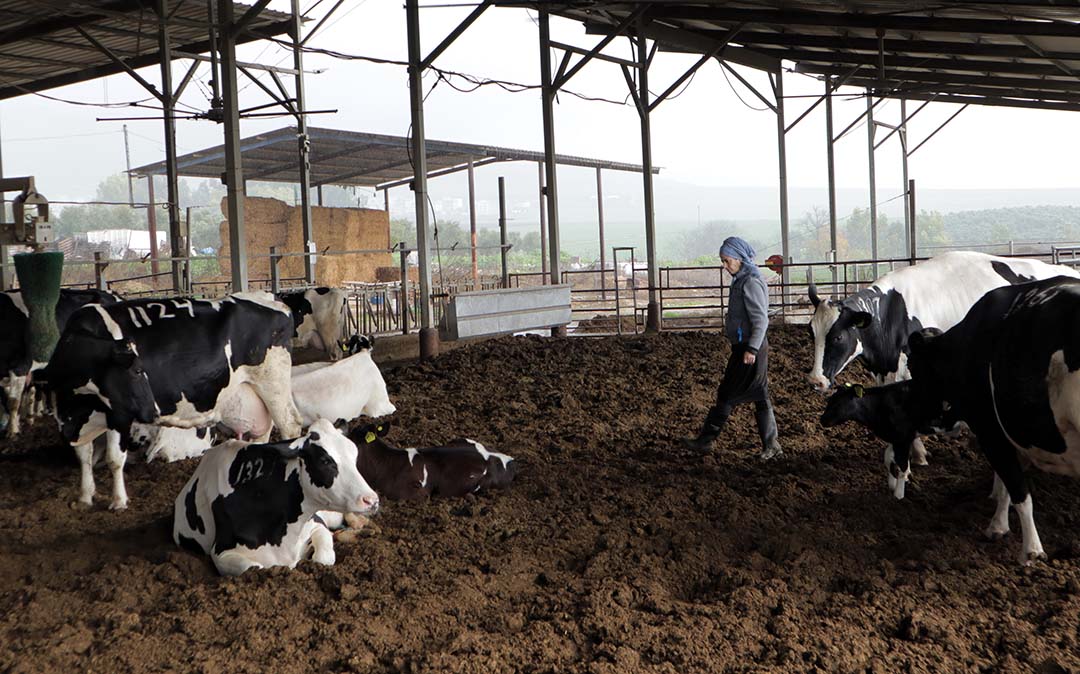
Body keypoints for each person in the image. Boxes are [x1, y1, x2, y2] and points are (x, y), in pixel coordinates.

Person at [683, 236, 783, 460]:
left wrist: (752, 349)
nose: (725, 266)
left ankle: (706, 441)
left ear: (739, 259)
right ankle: (771, 445)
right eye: (723, 261)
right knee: (758, 394)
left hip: (750, 348)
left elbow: (761, 320)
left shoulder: (750, 282)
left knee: (728, 393)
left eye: (727, 260)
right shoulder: (741, 279)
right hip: (747, 346)